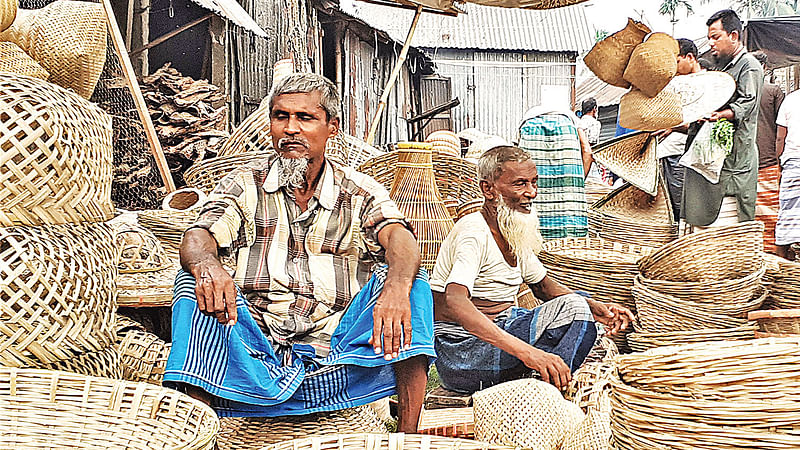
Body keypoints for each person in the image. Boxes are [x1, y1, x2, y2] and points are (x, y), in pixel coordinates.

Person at [163, 73, 435, 431]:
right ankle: (195, 431)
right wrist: (207, 266)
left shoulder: (359, 190)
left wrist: (396, 291)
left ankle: (408, 436)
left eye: (304, 118)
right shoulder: (245, 183)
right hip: (253, 341)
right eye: (281, 116)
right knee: (193, 281)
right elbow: (199, 234)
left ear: (331, 127)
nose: (290, 128)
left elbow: (399, 238)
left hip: (336, 344)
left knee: (412, 283)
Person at [429, 146, 634, 394]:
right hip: (463, 357)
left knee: (579, 309)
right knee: (575, 309)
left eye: (534, 182)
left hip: (497, 340)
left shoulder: (511, 229)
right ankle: (546, 392)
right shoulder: (474, 232)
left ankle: (542, 387)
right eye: (520, 184)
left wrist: (598, 309)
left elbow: (543, 287)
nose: (532, 193)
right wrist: (530, 354)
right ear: (488, 189)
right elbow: (454, 300)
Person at [682, 9, 763, 229]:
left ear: (734, 36)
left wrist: (722, 115)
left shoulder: (749, 67)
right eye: (709, 38)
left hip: (736, 163)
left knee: (730, 227)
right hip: (714, 161)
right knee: (705, 225)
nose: (711, 43)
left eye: (716, 37)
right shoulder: (722, 68)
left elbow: (747, 102)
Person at [518, 105, 592, 240]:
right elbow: (587, 152)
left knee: (534, 212)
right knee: (570, 224)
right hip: (566, 135)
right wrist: (577, 184)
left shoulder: (528, 120)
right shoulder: (573, 121)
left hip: (531, 134)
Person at [657, 38, 703, 220]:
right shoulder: (676, 84)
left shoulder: (705, 83)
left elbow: (699, 121)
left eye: (677, 61)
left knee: (683, 206)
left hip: (684, 152)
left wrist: (672, 128)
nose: (674, 68)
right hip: (671, 152)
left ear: (689, 57)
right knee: (674, 206)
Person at [752, 50, 785, 254]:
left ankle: (755, 250)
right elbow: (782, 131)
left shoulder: (739, 92)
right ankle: (772, 251)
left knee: (751, 210)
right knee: (772, 210)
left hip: (747, 161)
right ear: (765, 68)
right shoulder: (773, 91)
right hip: (769, 159)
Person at [775, 87, 800, 260]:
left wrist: (779, 163)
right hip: (793, 160)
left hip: (793, 161)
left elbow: (780, 138)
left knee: (787, 209)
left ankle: (782, 258)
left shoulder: (790, 100)